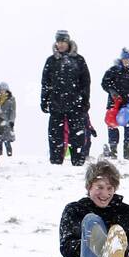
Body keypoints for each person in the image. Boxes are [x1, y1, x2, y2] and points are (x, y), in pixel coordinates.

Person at [41, 30, 91, 166]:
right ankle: (56, 161)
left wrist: (85, 100)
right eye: (59, 42)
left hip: (76, 104)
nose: (61, 44)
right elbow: (46, 83)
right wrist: (44, 100)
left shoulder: (79, 60)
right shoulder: (51, 61)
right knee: (55, 134)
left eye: (63, 41)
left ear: (68, 42)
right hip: (56, 103)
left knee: (77, 134)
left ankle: (78, 160)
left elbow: (85, 82)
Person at [101, 48, 129, 160]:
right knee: (113, 126)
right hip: (114, 103)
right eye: (124, 59)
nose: (126, 61)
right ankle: (113, 151)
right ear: (121, 59)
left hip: (128, 105)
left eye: (128, 59)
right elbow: (104, 83)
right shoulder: (113, 70)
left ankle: (127, 153)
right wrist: (112, 92)